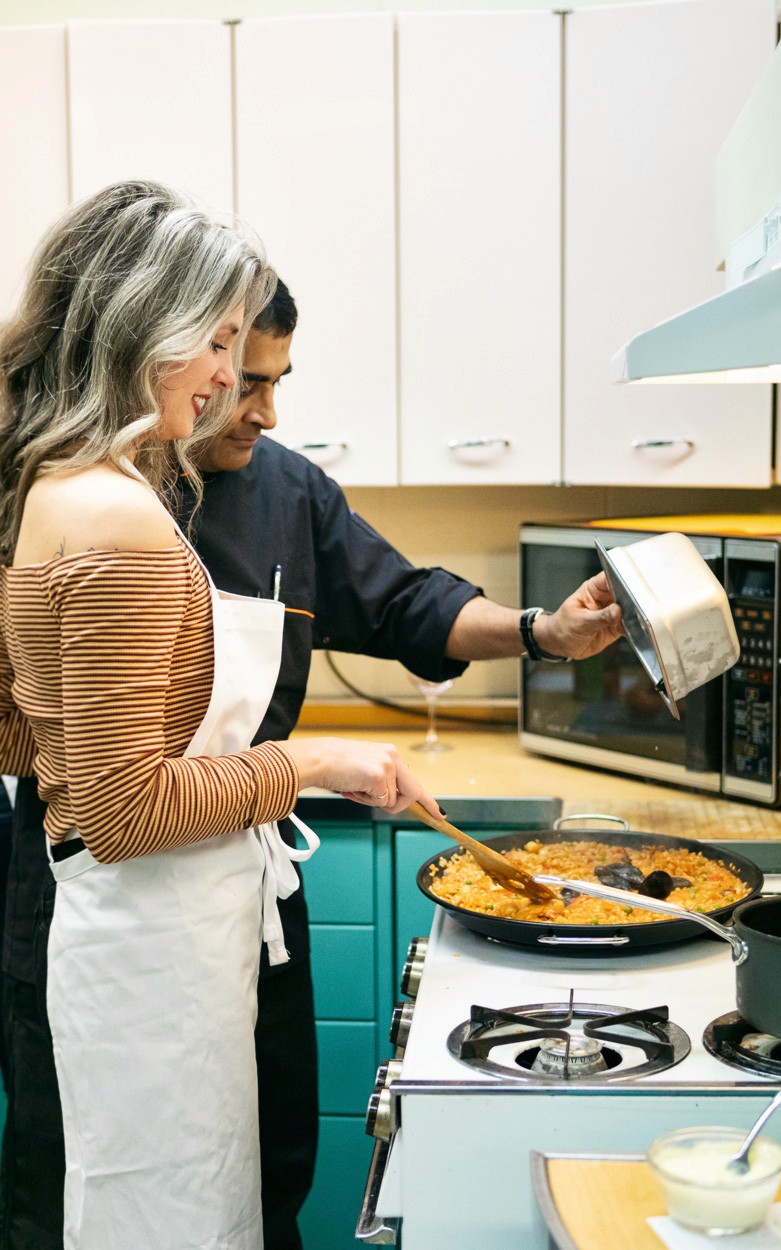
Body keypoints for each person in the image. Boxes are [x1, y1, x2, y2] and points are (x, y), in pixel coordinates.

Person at [0, 276, 623, 1250]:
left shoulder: (283, 487)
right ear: (164, 358)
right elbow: (90, 778)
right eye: (241, 378)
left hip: (242, 888)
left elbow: (399, 601)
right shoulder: (80, 502)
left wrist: (541, 633)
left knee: (259, 1161)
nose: (262, 407)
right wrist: (314, 760)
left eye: (273, 379)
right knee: (74, 1171)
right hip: (89, 886)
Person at [0, 180, 445, 1250]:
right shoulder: (119, 514)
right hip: (149, 949)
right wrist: (318, 759)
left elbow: (20, 735)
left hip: (127, 934)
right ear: (145, 326)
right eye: (216, 341)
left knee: (93, 1203)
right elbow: (121, 809)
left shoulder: (48, 486)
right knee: (165, 1209)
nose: (222, 375)